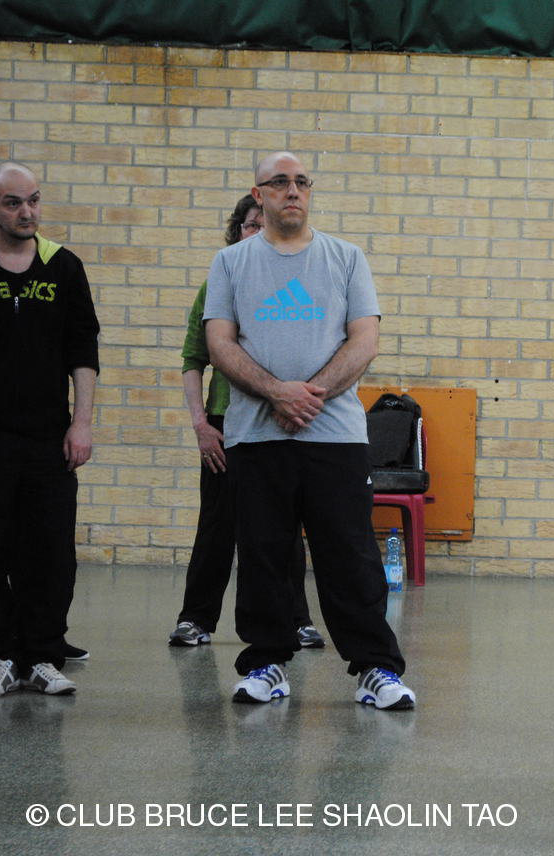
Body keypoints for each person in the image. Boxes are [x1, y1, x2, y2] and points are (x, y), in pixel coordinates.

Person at [203, 151, 414, 710]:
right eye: (279, 182)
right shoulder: (230, 263)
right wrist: (276, 392)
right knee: (264, 554)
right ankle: (266, 664)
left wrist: (307, 394)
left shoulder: (346, 257)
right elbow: (219, 342)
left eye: (301, 181)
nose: (292, 190)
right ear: (259, 194)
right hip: (257, 436)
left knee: (350, 556)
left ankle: (376, 668)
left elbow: (364, 340)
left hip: (335, 437)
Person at [170, 194, 324, 650]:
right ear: (237, 232)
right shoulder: (219, 281)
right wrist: (201, 425)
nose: (255, 233)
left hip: (281, 420)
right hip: (226, 422)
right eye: (249, 226)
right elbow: (193, 359)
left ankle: (296, 620)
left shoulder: (296, 284)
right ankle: (196, 619)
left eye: (263, 226)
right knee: (217, 525)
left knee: (284, 527)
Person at [0, 161, 99, 697]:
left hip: (48, 437)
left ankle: (41, 654)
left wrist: (81, 423)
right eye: (13, 202)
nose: (26, 212)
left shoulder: (63, 266)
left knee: (51, 552)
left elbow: (83, 352)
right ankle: (1, 653)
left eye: (33, 200)